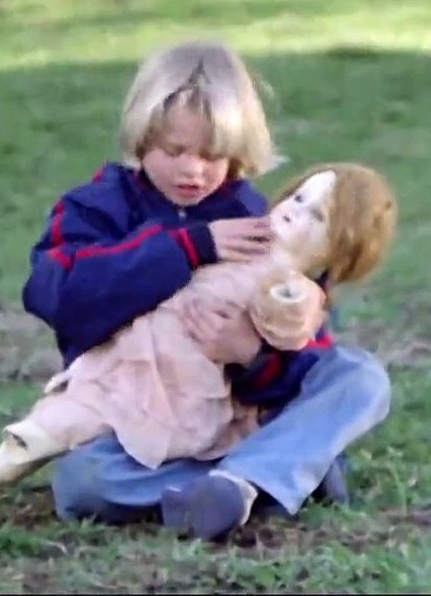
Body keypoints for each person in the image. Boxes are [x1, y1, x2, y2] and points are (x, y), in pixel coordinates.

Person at [20, 39, 394, 541]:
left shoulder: (255, 219)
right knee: (83, 484)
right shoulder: (95, 208)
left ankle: (246, 478)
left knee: (360, 377)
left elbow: (301, 347)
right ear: (141, 135)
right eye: (175, 151)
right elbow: (61, 297)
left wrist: (251, 356)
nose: (193, 171)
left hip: (230, 417)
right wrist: (187, 249)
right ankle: (270, 477)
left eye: (213, 155)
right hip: (135, 423)